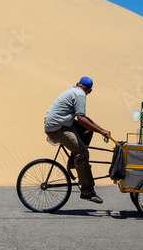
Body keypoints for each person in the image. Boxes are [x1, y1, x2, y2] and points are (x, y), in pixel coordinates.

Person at [44, 76, 111, 204]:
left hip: (60, 123)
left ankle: (73, 161)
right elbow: (81, 119)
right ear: (89, 91)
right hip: (57, 128)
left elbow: (85, 122)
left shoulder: (72, 91)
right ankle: (87, 191)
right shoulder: (80, 95)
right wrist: (102, 131)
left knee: (88, 129)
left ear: (77, 84)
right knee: (83, 153)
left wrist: (96, 128)